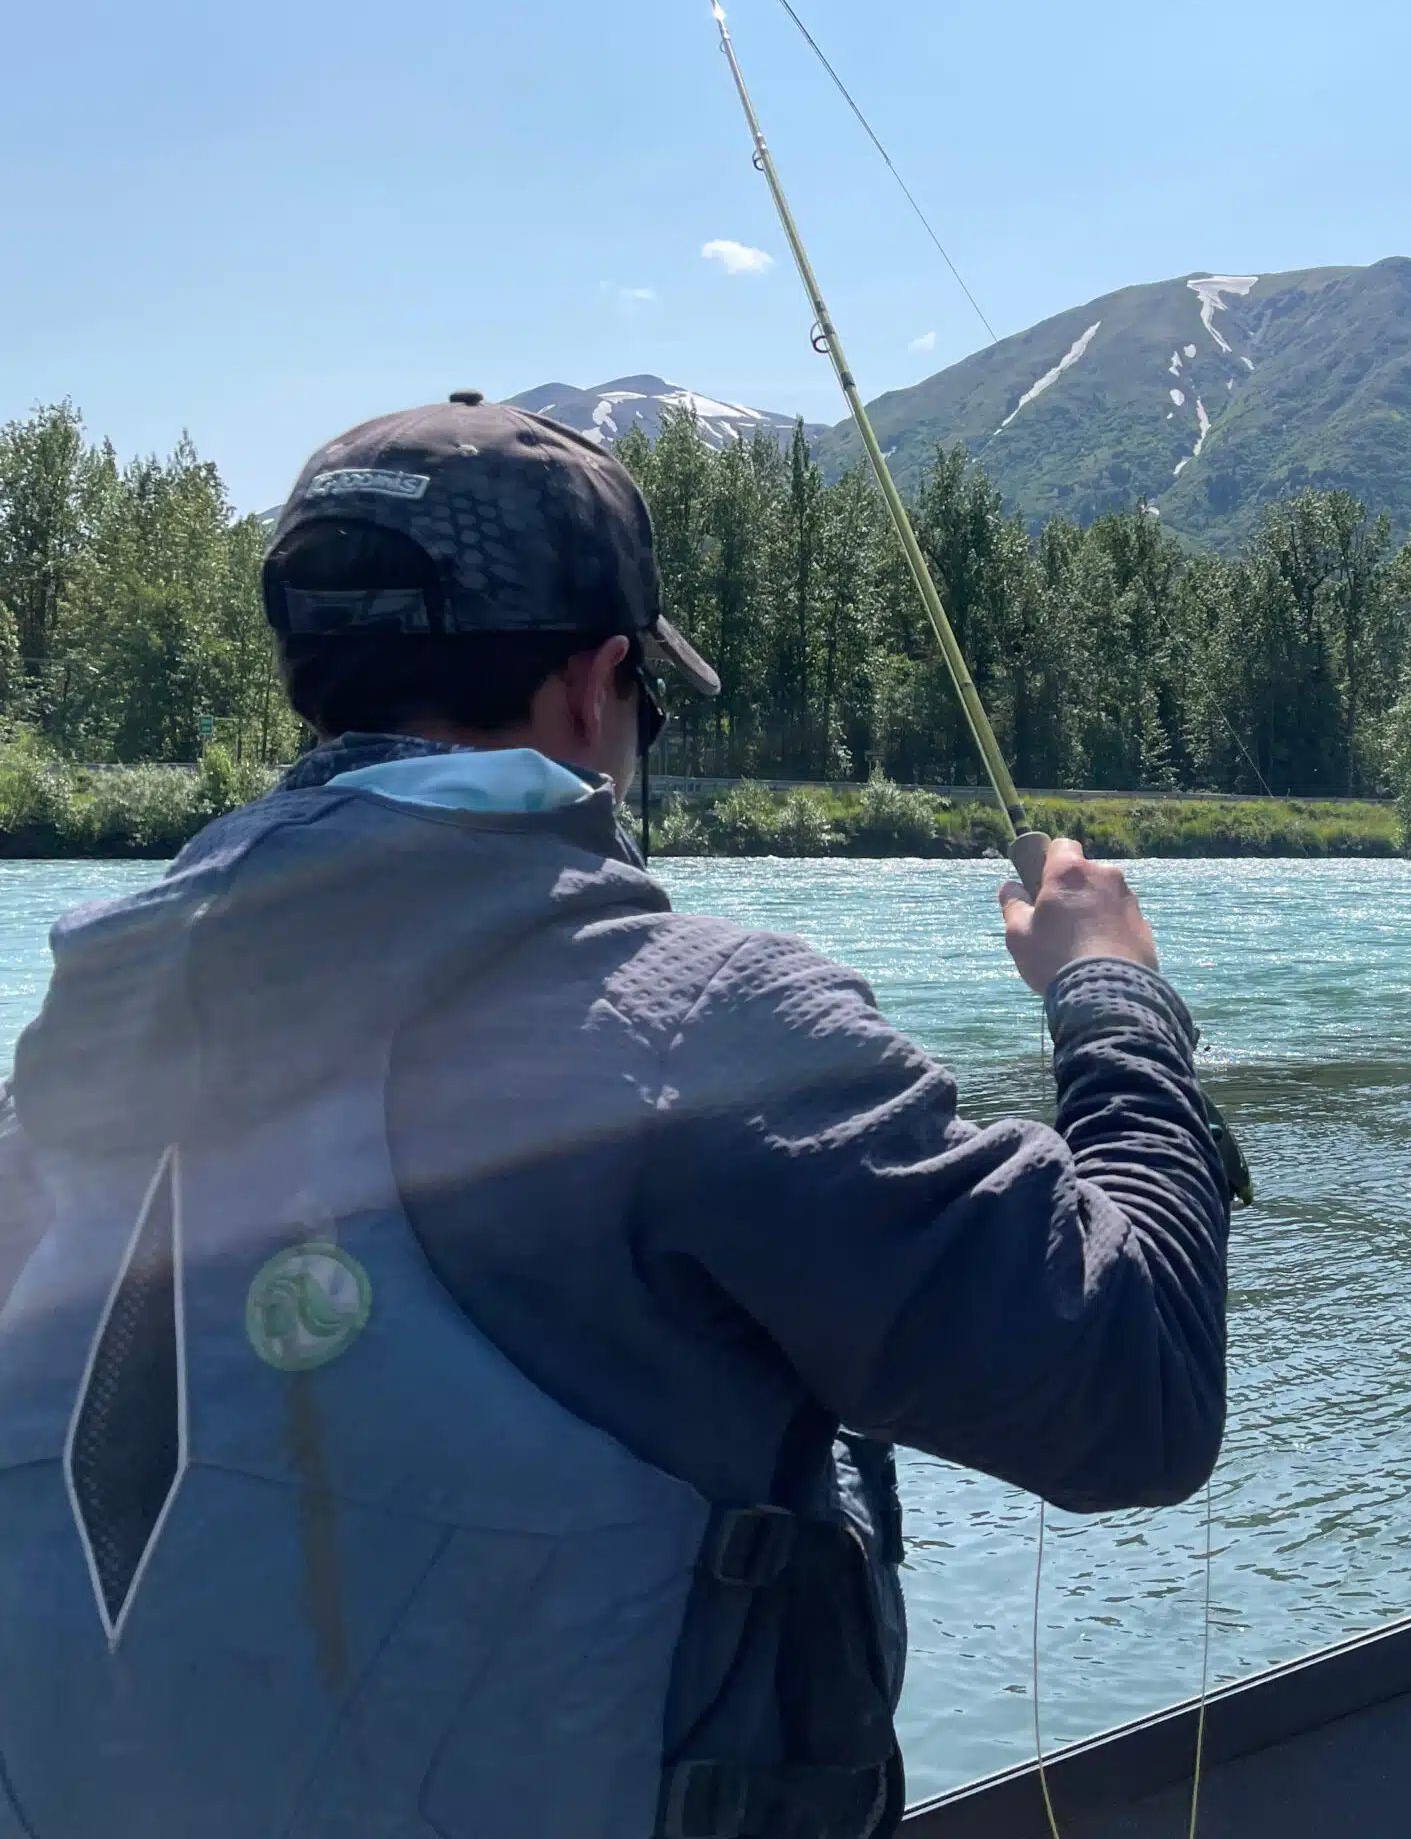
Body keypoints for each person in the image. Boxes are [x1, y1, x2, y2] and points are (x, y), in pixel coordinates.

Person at [0, 393, 1237, 1839]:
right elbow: (1134, 1390)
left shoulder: (73, 1041)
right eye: (643, 701)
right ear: (596, 688)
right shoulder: (700, 1027)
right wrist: (1110, 998)